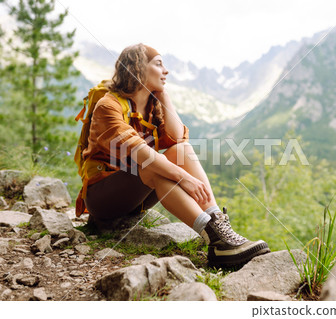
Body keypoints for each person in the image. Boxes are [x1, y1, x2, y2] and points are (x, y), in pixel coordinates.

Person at [80, 43, 270, 267]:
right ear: (138, 67)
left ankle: (218, 225)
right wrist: (184, 178)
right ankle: (214, 240)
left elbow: (178, 141)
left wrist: (164, 95)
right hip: (103, 197)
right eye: (159, 64)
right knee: (155, 167)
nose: (166, 71)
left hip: (137, 191)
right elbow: (142, 155)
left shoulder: (152, 105)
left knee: (181, 152)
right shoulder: (108, 106)